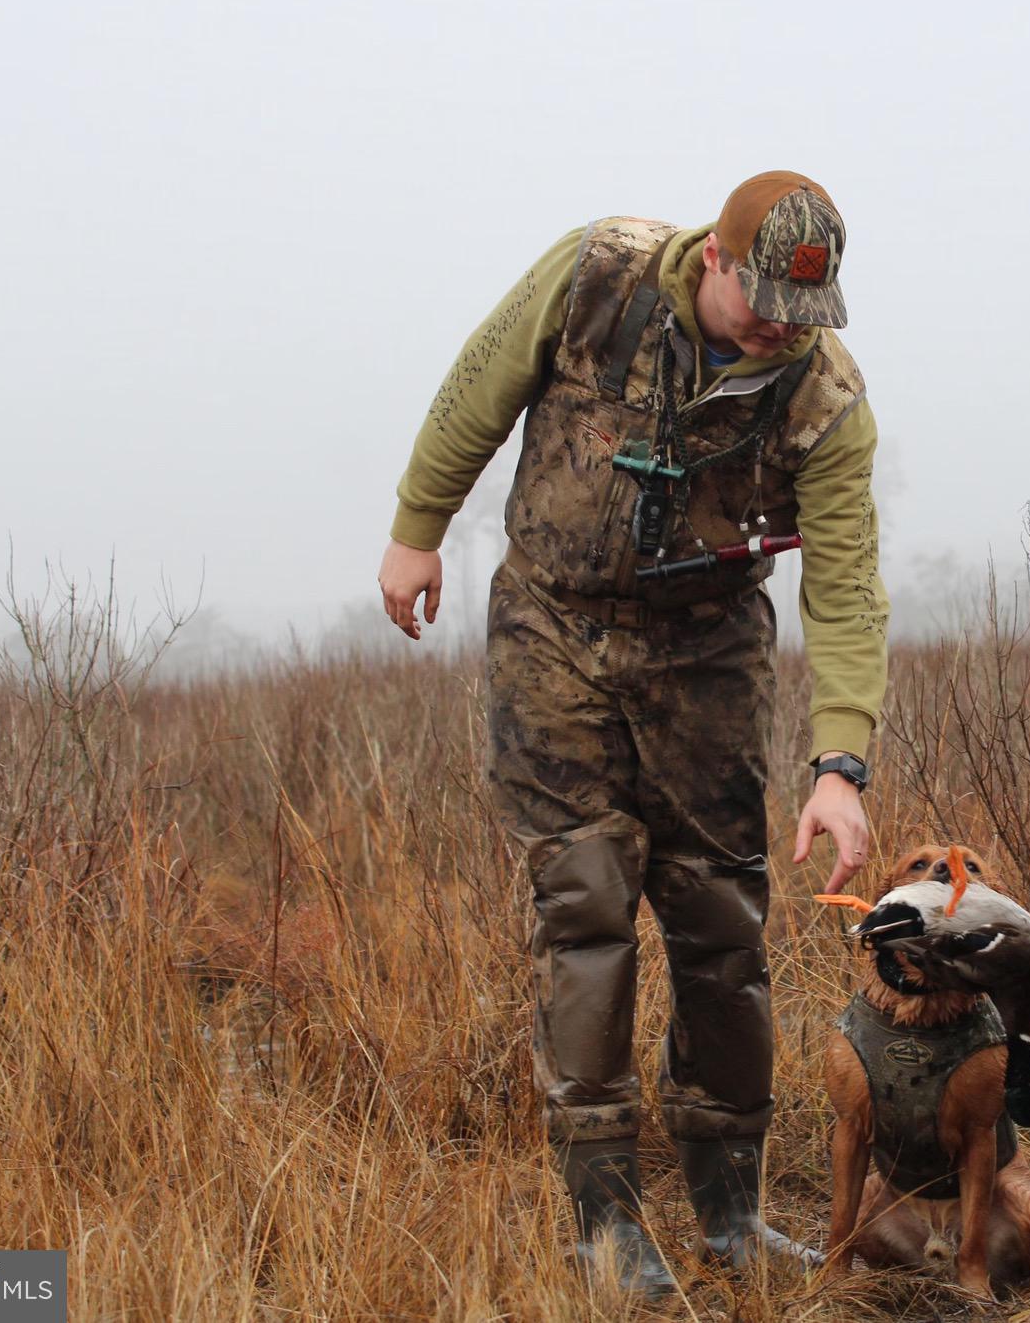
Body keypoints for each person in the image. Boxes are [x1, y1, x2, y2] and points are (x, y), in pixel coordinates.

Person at [377, 171, 889, 1293]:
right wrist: (418, 529)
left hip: (704, 655)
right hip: (553, 631)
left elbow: (846, 586)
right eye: (760, 301)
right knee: (587, 905)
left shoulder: (822, 397)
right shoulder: (596, 275)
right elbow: (477, 389)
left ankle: (727, 1218)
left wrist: (837, 763)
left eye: (803, 316)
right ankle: (604, 1225)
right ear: (713, 255)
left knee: (720, 924)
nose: (777, 330)